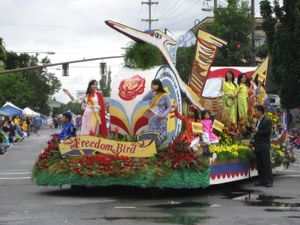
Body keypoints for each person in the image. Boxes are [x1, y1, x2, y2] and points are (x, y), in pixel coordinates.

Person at [252, 105, 273, 187]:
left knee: (266, 164)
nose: (255, 112)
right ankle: (262, 180)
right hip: (257, 145)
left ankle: (269, 181)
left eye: (256, 111)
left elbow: (267, 131)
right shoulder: (257, 121)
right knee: (259, 164)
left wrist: (257, 131)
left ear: (260, 111)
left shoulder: (267, 120)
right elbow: (257, 131)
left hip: (264, 145)